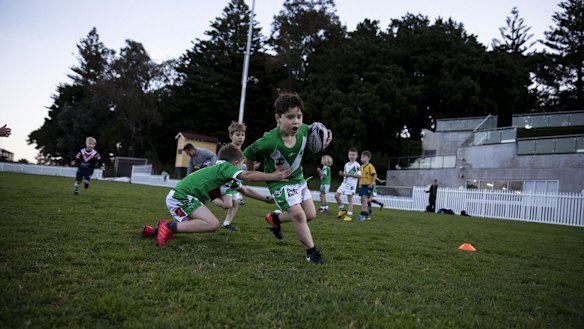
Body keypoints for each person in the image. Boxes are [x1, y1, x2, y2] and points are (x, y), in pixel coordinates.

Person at [142, 143, 290, 247]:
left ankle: (153, 231)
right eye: (241, 164)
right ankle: (167, 226)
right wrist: (272, 176)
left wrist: (266, 199)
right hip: (182, 197)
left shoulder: (224, 174)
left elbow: (245, 190)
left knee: (190, 224)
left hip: (179, 197)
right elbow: (248, 176)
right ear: (237, 163)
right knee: (212, 224)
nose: (241, 168)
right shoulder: (226, 167)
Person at [243, 92, 332, 265]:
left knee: (310, 215)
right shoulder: (269, 141)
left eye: (299, 116)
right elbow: (249, 153)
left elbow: (321, 130)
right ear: (278, 117)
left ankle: (275, 218)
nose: (296, 121)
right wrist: (258, 173)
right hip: (279, 182)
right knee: (298, 215)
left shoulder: (305, 130)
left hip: (298, 179)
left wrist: (327, 136)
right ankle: (312, 253)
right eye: (290, 117)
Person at [219, 121, 250, 231]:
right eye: (237, 134)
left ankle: (226, 224)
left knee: (236, 202)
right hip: (225, 182)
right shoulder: (227, 150)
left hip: (235, 182)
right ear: (231, 135)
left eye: (243, 134)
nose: (241, 137)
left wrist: (251, 167)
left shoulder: (242, 152)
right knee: (227, 204)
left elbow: (239, 167)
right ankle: (210, 196)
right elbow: (221, 166)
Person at [334, 148, 361, 222]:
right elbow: (346, 175)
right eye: (350, 154)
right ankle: (342, 210)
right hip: (344, 183)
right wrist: (342, 174)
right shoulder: (346, 164)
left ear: (356, 156)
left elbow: (359, 175)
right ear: (348, 155)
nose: (351, 156)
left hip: (351, 185)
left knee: (350, 200)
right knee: (336, 195)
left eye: (353, 155)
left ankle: (349, 215)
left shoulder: (357, 165)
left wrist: (347, 174)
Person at [357, 150, 377, 221]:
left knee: (365, 198)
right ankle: (366, 214)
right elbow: (360, 176)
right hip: (363, 186)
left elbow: (375, 175)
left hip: (368, 186)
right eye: (361, 157)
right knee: (362, 200)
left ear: (368, 158)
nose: (362, 158)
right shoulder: (361, 167)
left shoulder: (370, 166)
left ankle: (362, 214)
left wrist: (371, 184)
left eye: (363, 157)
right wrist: (359, 183)